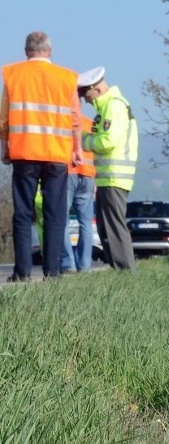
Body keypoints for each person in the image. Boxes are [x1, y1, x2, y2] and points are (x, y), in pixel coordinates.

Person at [1, 32, 82, 281]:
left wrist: (4, 148)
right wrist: (76, 149)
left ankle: (23, 272)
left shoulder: (13, 75)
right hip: (56, 156)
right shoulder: (67, 78)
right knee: (55, 215)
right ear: (49, 51)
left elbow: (4, 119)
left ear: (26, 51)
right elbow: (75, 120)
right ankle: (52, 271)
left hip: (24, 153)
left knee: (23, 214)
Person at [78, 66, 138, 272]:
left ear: (97, 89)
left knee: (114, 228)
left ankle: (126, 273)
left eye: (87, 95)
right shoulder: (107, 107)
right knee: (106, 228)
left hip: (114, 177)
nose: (86, 101)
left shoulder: (113, 106)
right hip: (107, 178)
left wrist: (83, 141)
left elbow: (109, 141)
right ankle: (119, 270)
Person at [60, 112, 96, 273]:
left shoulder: (62, 121)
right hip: (88, 174)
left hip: (67, 172)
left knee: (62, 220)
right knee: (86, 223)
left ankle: (68, 264)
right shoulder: (90, 123)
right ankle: (84, 265)